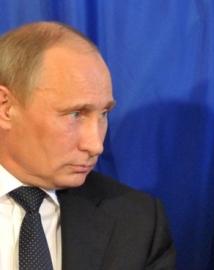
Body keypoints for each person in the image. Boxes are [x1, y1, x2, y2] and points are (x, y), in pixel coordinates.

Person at [0, 22, 175, 269]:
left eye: (104, 113)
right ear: (6, 108)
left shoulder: (137, 223)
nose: (96, 145)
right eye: (76, 114)